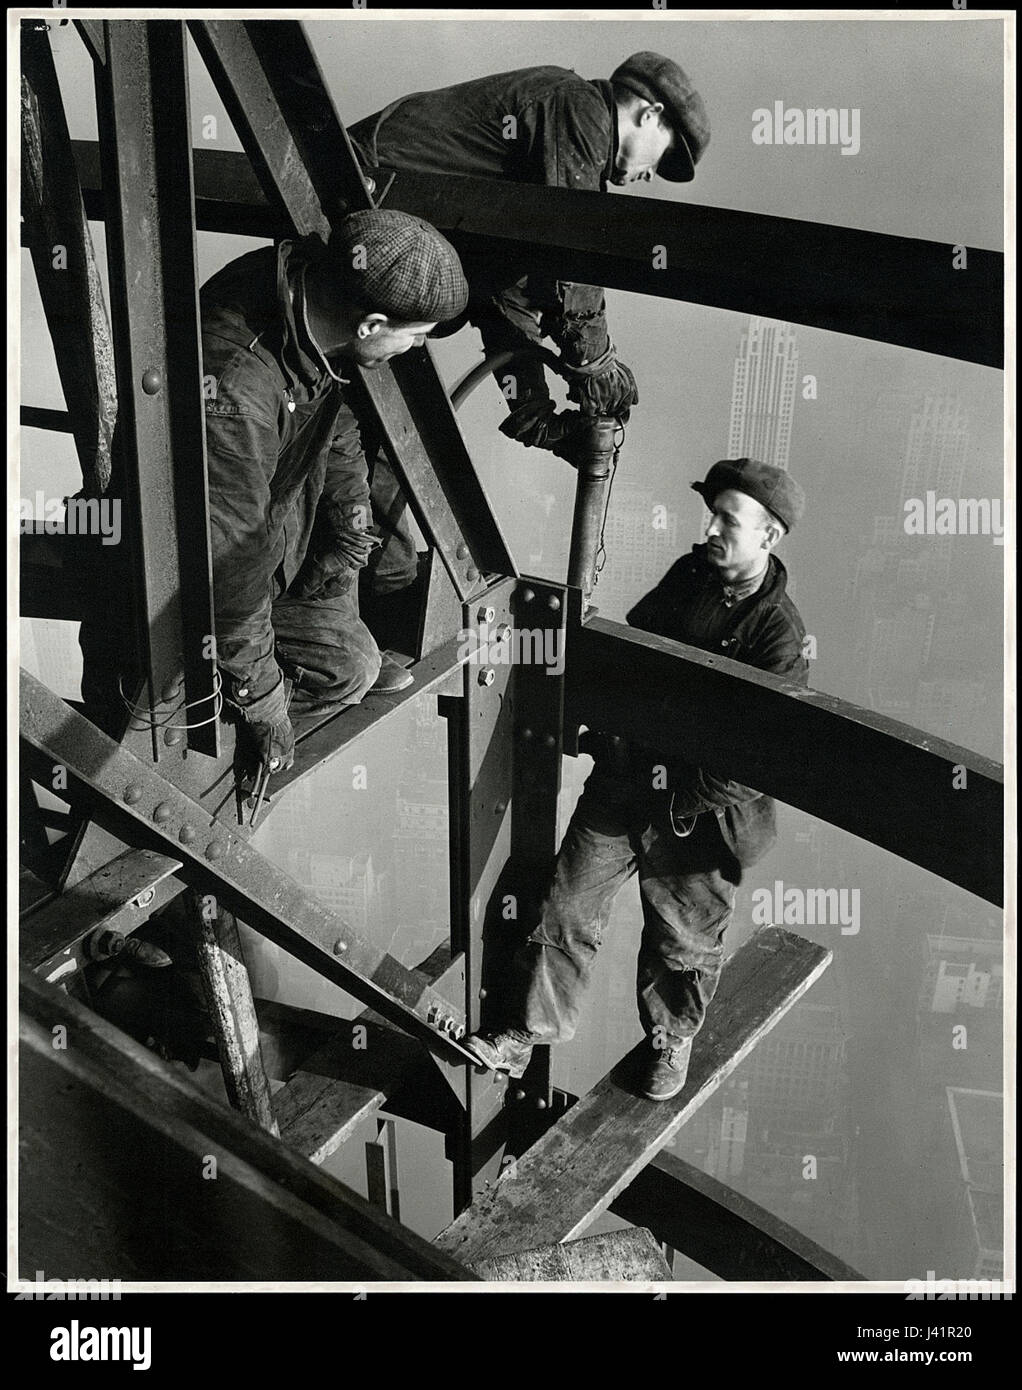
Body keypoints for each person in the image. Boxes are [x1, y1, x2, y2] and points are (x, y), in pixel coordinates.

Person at [80, 209, 469, 780]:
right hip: (170, 593)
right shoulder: (236, 386)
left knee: (366, 622)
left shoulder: (306, 296)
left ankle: (267, 677)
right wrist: (262, 699)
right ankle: (221, 721)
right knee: (349, 671)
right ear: (371, 324)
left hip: (253, 534)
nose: (413, 349)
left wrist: (348, 533)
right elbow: (227, 568)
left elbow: (333, 420)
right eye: (413, 336)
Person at [465, 459, 810, 1101]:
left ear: (769, 537)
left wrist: (678, 796)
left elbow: (756, 759)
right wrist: (609, 731)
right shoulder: (688, 576)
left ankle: (669, 1040)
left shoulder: (779, 639)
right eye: (711, 513)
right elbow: (632, 652)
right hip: (628, 782)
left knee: (681, 944)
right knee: (566, 908)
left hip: (699, 817)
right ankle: (527, 1031)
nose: (709, 529)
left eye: (727, 521)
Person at [347, 52, 711, 614]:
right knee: (355, 450)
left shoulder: (538, 164)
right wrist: (596, 361)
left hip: (384, 267)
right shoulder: (577, 107)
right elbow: (568, 252)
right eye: (659, 162)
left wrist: (542, 421)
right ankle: (366, 612)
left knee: (384, 453)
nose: (645, 178)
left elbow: (509, 296)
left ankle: (375, 611)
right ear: (650, 113)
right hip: (367, 226)